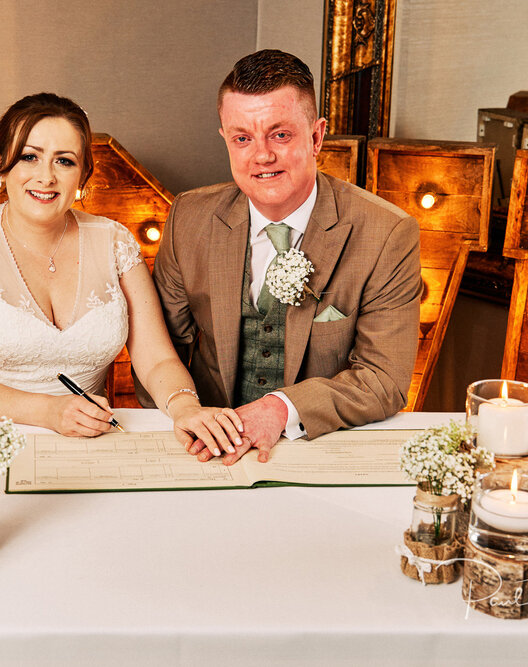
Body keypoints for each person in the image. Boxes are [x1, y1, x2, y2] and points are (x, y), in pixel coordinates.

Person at [0, 92, 241, 455]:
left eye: (64, 161)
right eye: (29, 157)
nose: (46, 177)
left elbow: (157, 359)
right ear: (0, 164)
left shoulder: (114, 242)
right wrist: (49, 411)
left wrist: (185, 408)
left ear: (84, 174)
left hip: (90, 445)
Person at [152, 50, 421, 465]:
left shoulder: (386, 233)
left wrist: (279, 410)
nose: (261, 156)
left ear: (316, 137)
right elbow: (159, 351)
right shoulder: (189, 217)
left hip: (317, 446)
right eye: (242, 138)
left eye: (280, 135)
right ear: (225, 138)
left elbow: (384, 380)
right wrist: (185, 412)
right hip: (207, 450)